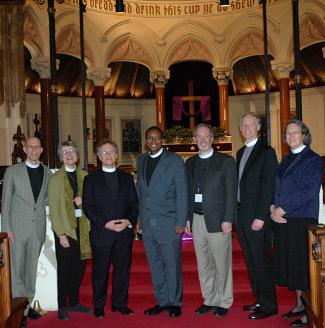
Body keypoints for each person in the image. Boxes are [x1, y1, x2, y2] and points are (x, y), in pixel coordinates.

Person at [271, 119, 322, 327]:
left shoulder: (313, 159)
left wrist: (283, 208)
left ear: (304, 135)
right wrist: (273, 207)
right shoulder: (285, 159)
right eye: (288, 133)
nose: (291, 136)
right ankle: (299, 304)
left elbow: (308, 191)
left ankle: (309, 313)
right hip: (284, 219)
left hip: (302, 219)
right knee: (293, 264)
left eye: (295, 133)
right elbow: (278, 188)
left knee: (303, 265)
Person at [185, 123, 237, 317]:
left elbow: (231, 193)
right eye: (199, 136)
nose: (203, 140)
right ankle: (210, 298)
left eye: (206, 136)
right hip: (197, 220)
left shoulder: (225, 161)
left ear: (212, 139)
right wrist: (187, 219)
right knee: (203, 264)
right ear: (195, 140)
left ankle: (224, 301)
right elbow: (188, 193)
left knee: (222, 264)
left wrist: (228, 219)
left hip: (218, 220)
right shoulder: (189, 162)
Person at [83, 139, 138, 319]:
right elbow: (88, 206)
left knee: (122, 270)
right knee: (100, 272)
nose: (108, 155)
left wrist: (128, 221)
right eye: (104, 153)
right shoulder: (90, 179)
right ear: (98, 157)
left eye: (111, 152)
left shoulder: (127, 178)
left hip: (123, 233)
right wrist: (104, 223)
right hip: (102, 233)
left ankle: (119, 304)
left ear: (116, 154)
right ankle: (99, 306)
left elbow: (134, 205)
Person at [136, 126, 188, 318]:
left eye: (157, 138)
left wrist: (181, 220)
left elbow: (182, 192)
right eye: (150, 138)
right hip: (148, 224)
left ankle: (175, 302)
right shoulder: (141, 160)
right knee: (155, 264)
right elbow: (141, 193)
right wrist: (139, 219)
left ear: (162, 141)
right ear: (146, 140)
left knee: (171, 264)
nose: (154, 141)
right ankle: (162, 300)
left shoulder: (174, 161)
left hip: (169, 222)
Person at [1, 137, 52, 327]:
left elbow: (47, 200)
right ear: (24, 149)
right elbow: (5, 203)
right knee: (16, 271)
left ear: (41, 150)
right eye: (30, 147)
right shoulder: (12, 172)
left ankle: (29, 304)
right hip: (16, 229)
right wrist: (6, 229)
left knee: (31, 271)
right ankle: (19, 310)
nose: (33, 150)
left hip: (37, 229)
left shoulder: (47, 173)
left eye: (37, 147)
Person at [236, 112, 278, 320]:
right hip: (242, 216)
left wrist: (261, 216)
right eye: (243, 125)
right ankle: (259, 299)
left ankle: (270, 305)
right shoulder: (240, 151)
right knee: (251, 262)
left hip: (257, 217)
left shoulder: (266, 151)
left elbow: (268, 186)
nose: (246, 128)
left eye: (250, 125)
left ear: (258, 127)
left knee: (261, 261)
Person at [48, 141, 91, 320]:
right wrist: (61, 234)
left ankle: (74, 302)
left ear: (77, 155)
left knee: (79, 269)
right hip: (67, 231)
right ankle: (62, 306)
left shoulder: (85, 175)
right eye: (65, 152)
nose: (69, 154)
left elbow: (93, 202)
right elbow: (54, 208)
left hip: (83, 230)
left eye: (72, 151)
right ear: (60, 156)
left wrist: (85, 201)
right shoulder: (56, 178)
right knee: (65, 270)